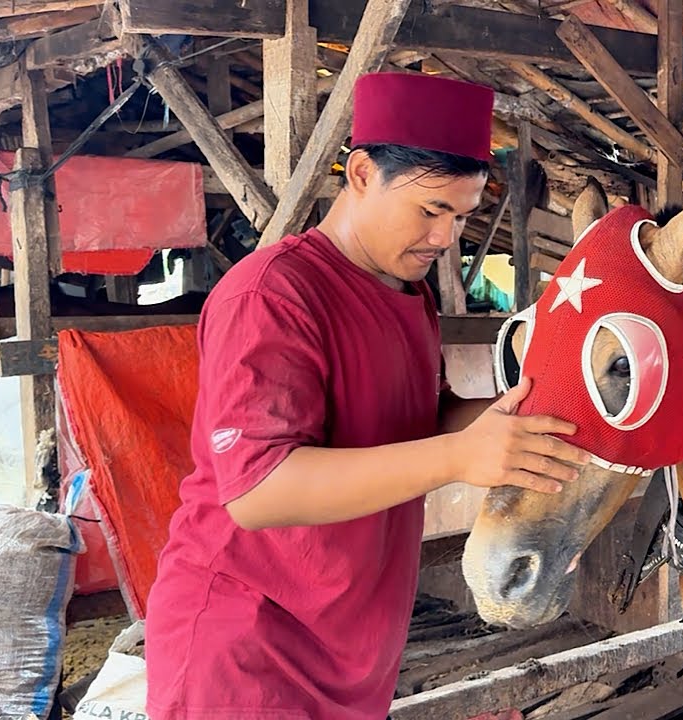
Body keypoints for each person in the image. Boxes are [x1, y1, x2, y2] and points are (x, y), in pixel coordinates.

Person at [143, 72, 589, 720]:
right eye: (430, 209)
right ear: (359, 173)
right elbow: (259, 490)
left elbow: (417, 421)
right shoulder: (273, 294)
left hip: (349, 649)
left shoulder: (411, 296)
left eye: (461, 217)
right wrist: (462, 458)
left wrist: (519, 420)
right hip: (247, 646)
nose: (445, 238)